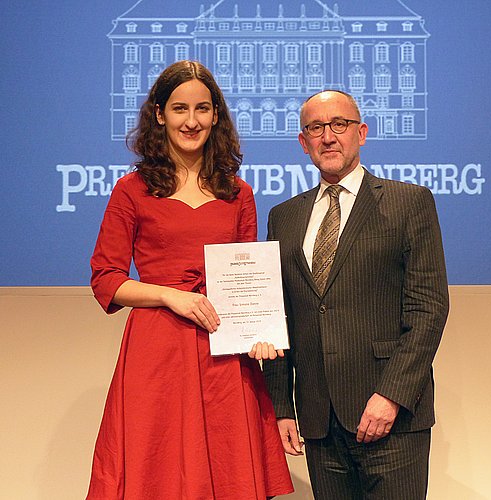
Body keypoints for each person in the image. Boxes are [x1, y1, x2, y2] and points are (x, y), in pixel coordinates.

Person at [87, 60, 293, 499]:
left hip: (223, 350)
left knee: (227, 471)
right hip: (157, 350)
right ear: (160, 114)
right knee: (157, 469)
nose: (192, 120)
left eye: (202, 108)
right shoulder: (132, 189)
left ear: (216, 115)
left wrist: (259, 333)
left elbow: (246, 280)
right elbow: (105, 279)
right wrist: (170, 297)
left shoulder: (239, 193)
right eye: (180, 108)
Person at [263, 90, 449, 499]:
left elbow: (428, 309)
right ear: (303, 141)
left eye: (339, 124)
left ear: (361, 132)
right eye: (315, 128)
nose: (328, 136)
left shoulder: (408, 203)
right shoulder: (284, 217)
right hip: (319, 419)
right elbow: (277, 317)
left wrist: (391, 396)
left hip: (391, 417)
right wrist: (281, 407)